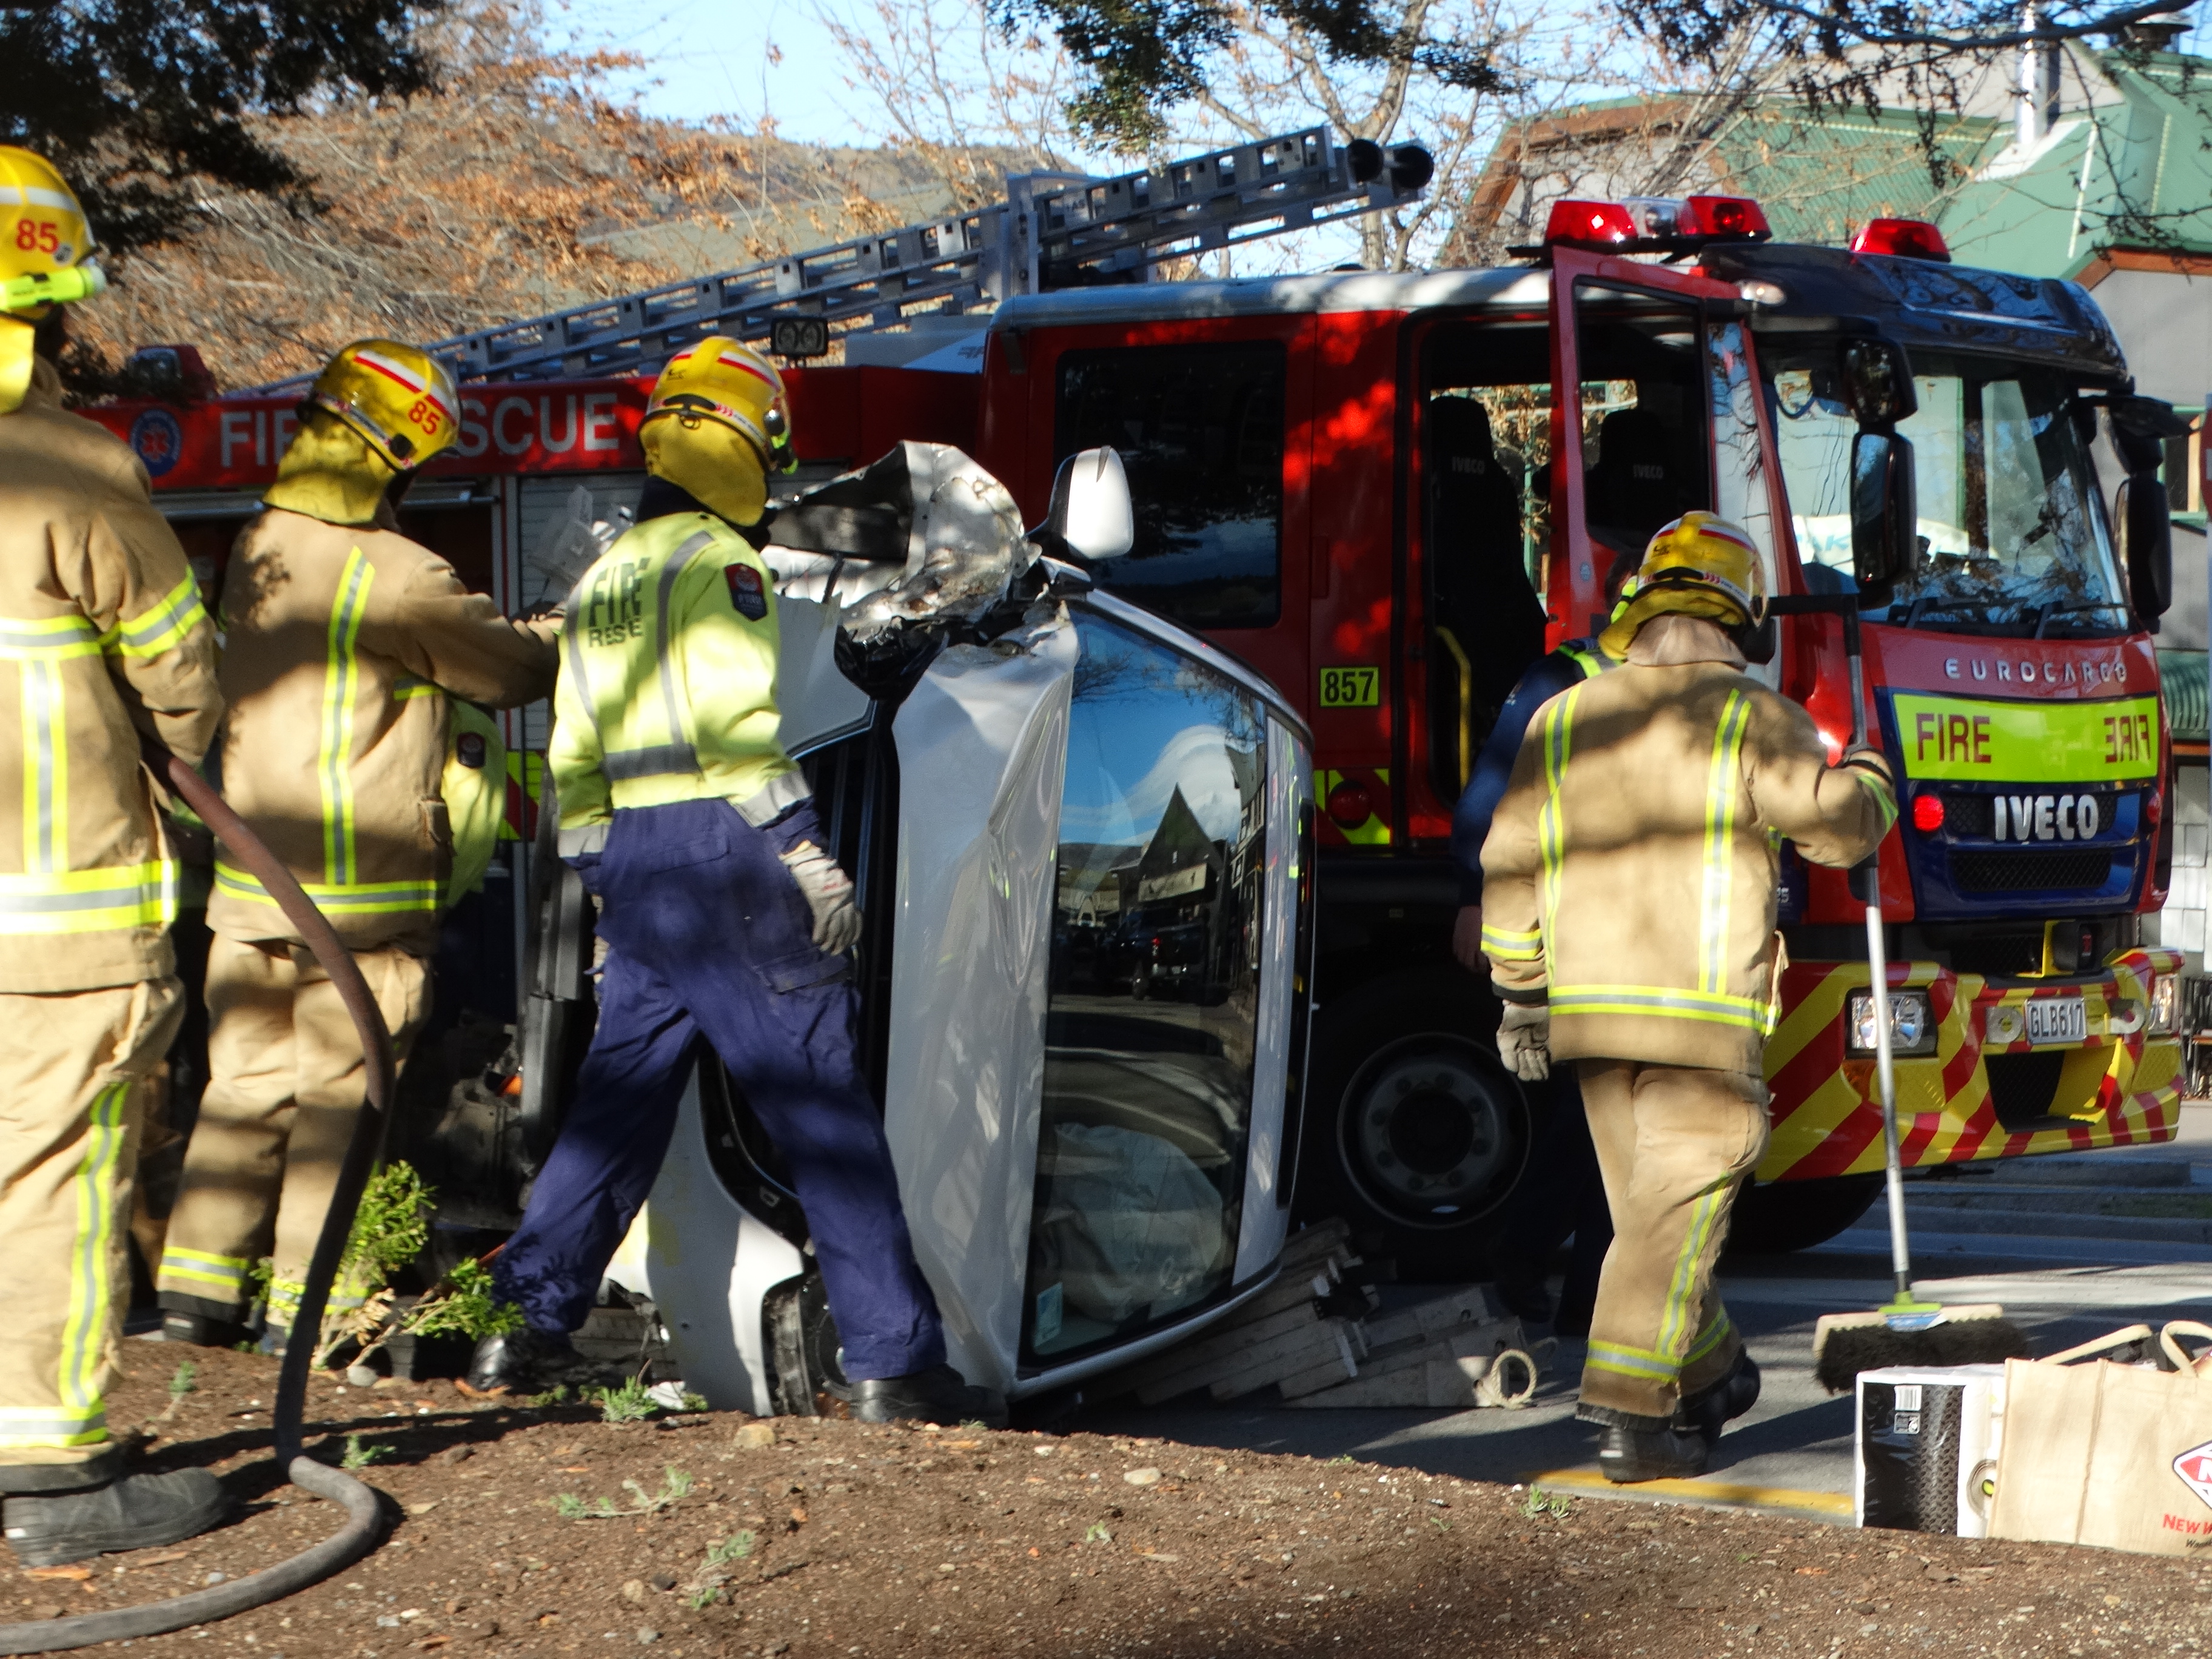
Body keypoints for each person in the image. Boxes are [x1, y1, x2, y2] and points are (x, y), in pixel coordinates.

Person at [468, 337, 1000, 1427]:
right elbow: (735, 728)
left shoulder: (605, 576)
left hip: (638, 864)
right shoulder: (724, 566)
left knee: (616, 1108)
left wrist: (598, 862)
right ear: (748, 449)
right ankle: (895, 1365)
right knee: (822, 1113)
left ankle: (519, 1324)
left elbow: (573, 743)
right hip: (732, 858)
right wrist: (802, 848)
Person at [156, 340, 560, 1350]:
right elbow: (508, 673)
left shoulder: (262, 543)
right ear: (399, 455)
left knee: (245, 1088)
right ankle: (320, 1313)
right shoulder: (399, 573)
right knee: (344, 1105)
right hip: (362, 902)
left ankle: (193, 1302)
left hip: (254, 889)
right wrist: (560, 629)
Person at [1480, 512, 1895, 1483]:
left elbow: (1510, 864)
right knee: (1673, 1222)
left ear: (1640, 610)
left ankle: (1711, 1377)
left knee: (1657, 1224)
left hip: (1591, 1027)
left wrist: (1522, 995)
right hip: (1701, 1029)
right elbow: (1833, 828)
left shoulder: (1565, 719)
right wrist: (1870, 778)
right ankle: (1629, 1413)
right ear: (1742, 620)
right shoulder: (1756, 715)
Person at [0, 147, 230, 1564]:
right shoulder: (67, 470)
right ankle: (51, 1475)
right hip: (54, 925)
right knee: (56, 1174)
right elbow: (183, 682)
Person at [1450, 554, 1638, 1337]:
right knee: (1607, 1122)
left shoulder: (1685, 691)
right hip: (1577, 931)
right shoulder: (1561, 682)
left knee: (1599, 1121)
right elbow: (1495, 806)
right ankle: (1575, 1291)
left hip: (1633, 933)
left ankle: (1540, 1264)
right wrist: (1472, 898)